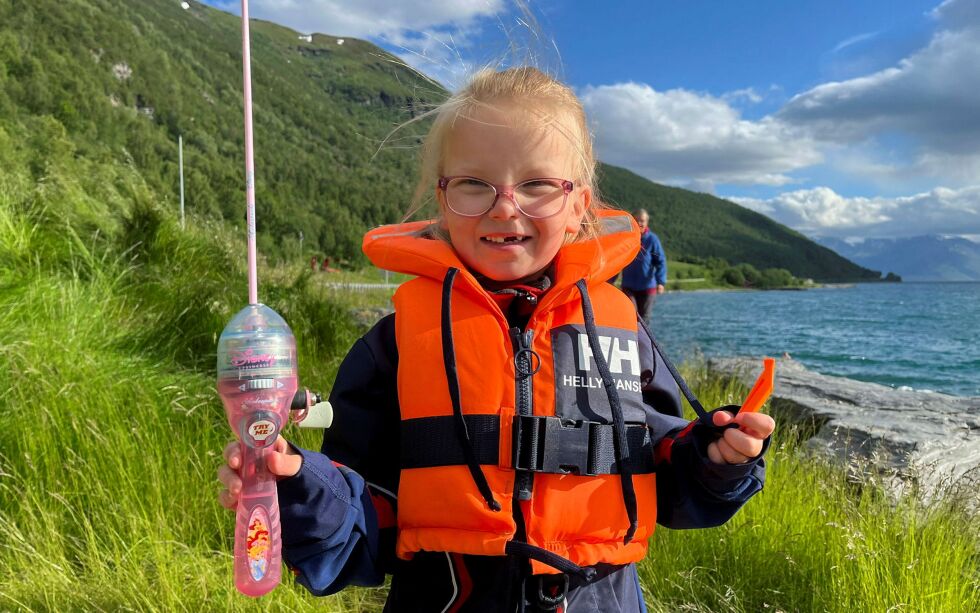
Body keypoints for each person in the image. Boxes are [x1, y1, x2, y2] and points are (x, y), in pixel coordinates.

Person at [218, 67, 774, 611]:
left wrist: (716, 459)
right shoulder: (394, 346)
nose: (506, 206)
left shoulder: (622, 331)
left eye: (536, 184)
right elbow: (366, 519)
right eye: (473, 185)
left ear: (579, 205)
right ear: (442, 200)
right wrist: (296, 486)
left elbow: (667, 475)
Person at [620, 209, 667, 322]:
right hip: (628, 286)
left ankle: (643, 340)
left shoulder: (652, 239)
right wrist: (609, 281)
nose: (640, 223)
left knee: (644, 319)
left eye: (643, 221)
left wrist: (660, 282)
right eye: (637, 220)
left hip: (647, 287)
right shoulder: (625, 238)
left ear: (647, 222)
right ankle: (632, 338)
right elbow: (618, 260)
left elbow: (660, 261)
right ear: (632, 221)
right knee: (631, 314)